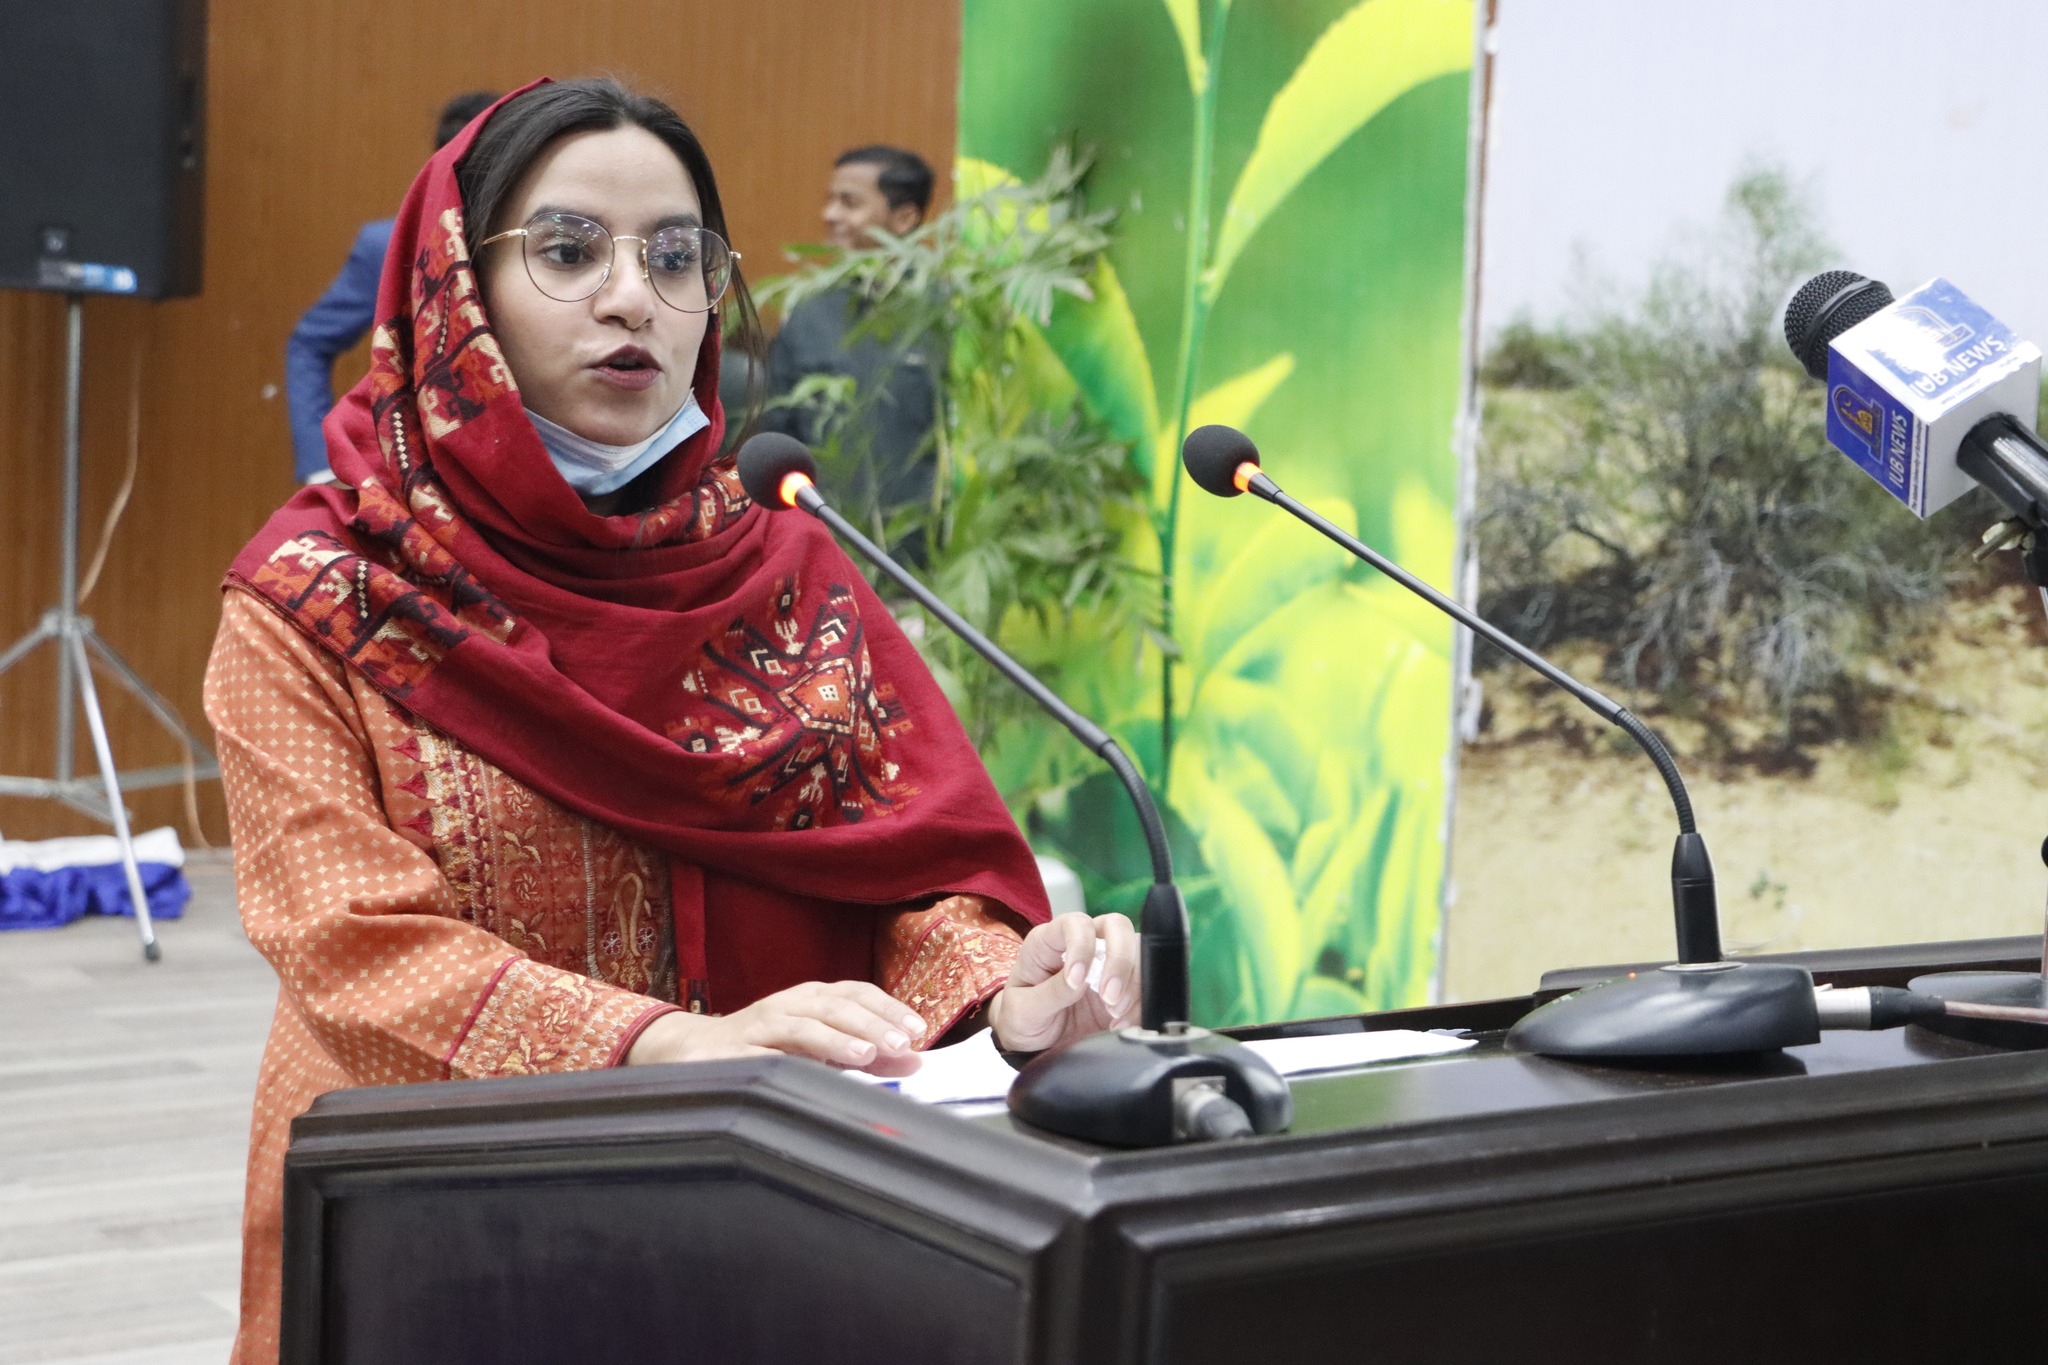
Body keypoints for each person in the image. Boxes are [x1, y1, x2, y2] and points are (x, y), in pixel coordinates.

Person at [206, 79, 1141, 1364]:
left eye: (675, 256)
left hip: (777, 1211)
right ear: (452, 291)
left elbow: (909, 873)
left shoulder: (785, 569)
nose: (631, 297)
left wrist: (1001, 999)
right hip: (447, 1225)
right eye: (567, 251)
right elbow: (350, 940)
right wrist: (664, 1043)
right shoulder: (321, 596)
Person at [283, 91, 499, 484]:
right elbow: (310, 344)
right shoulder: (388, 246)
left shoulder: (539, 251)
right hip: (414, 471)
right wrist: (321, 463)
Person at [762, 145, 939, 539]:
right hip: (827, 541)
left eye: (850, 203)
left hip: (929, 551)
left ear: (904, 218)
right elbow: (777, 435)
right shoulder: (807, 313)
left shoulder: (945, 313)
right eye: (831, 200)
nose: (830, 215)